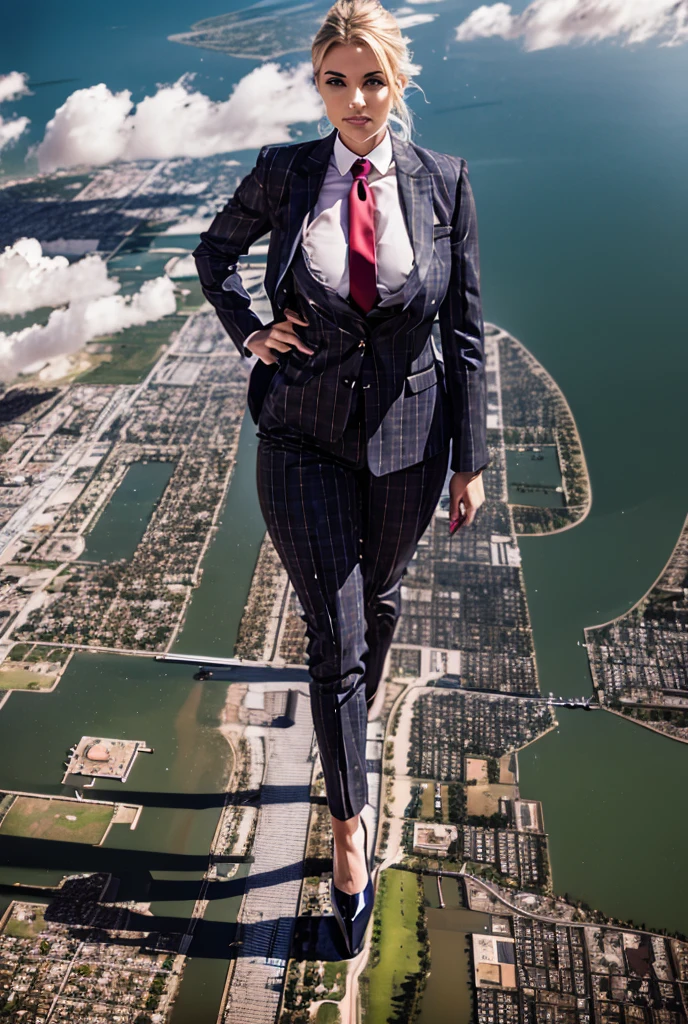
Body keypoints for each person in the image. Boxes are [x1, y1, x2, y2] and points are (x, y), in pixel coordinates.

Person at [193, 0, 488, 958]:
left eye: (371, 79)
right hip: (302, 441)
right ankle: (350, 829)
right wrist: (251, 333)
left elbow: (465, 333)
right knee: (338, 632)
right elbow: (213, 255)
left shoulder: (445, 182)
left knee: (384, 604)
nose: (356, 100)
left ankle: (347, 737)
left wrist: (471, 461)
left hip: (412, 444)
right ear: (316, 85)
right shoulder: (285, 174)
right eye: (335, 81)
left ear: (397, 80)